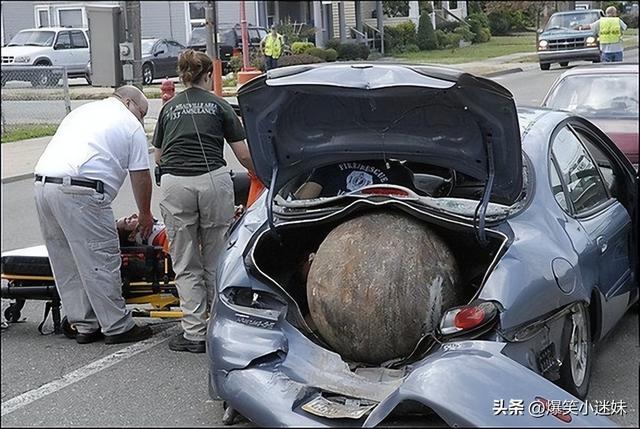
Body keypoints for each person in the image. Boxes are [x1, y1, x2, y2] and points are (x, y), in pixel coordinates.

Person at [33, 85, 155, 345]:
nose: (141, 120)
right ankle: (117, 326)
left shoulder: (82, 112)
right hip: (81, 189)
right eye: (142, 113)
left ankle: (85, 323)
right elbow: (141, 175)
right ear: (129, 102)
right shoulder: (129, 123)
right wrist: (145, 214)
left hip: (43, 185)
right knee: (100, 256)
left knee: (65, 259)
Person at [152, 49, 254, 353]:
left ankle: (193, 332)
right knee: (216, 256)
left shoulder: (169, 109)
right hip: (212, 181)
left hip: (176, 184)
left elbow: (158, 155)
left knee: (185, 261)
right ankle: (219, 327)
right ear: (209, 75)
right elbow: (244, 154)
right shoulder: (219, 105)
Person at [295, 159, 415, 199]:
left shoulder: (398, 172)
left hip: (329, 221)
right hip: (328, 218)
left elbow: (305, 197)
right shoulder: (330, 164)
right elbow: (306, 197)